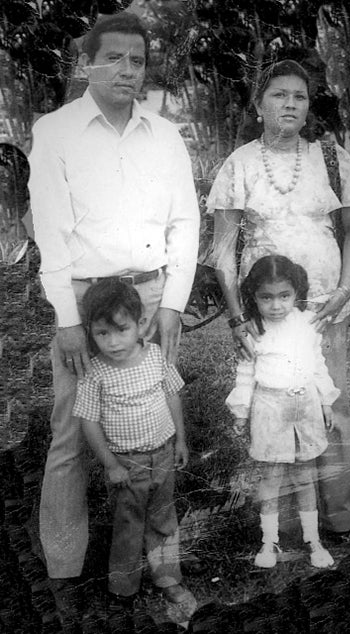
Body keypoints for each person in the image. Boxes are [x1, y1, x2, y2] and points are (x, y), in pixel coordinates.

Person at [27, 10, 199, 608]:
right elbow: (49, 230)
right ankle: (65, 568)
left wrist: (173, 303)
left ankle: (159, 564)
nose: (128, 70)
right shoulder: (55, 131)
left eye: (138, 60)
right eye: (116, 58)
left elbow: (186, 223)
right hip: (85, 301)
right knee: (73, 428)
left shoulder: (166, 135)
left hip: (150, 297)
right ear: (87, 63)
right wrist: (69, 321)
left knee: (153, 415)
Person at [207, 59, 350, 542]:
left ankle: (339, 516)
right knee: (272, 408)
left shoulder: (331, 157)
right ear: (259, 105)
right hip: (267, 313)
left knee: (326, 402)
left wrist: (343, 289)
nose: (290, 103)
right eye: (278, 94)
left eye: (298, 95)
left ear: (308, 105)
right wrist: (237, 318)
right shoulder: (239, 164)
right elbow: (222, 250)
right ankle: (288, 526)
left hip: (323, 310)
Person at [72, 278, 196, 613]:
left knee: (163, 517)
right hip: (128, 463)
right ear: (90, 331)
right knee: (129, 523)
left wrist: (180, 439)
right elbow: (89, 421)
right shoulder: (94, 372)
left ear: (141, 323)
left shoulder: (155, 356)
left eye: (121, 330)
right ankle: (123, 586)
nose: (112, 342)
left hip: (164, 453)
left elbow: (172, 395)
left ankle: (168, 579)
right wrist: (110, 464)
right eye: (102, 333)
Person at [226, 255, 340, 568]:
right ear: (254, 297)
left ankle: (313, 540)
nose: (276, 306)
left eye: (284, 296)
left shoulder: (307, 322)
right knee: (271, 478)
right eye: (266, 297)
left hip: (305, 407)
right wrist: (241, 412)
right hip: (269, 408)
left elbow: (317, 363)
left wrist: (326, 400)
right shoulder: (252, 330)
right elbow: (246, 374)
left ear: (296, 293)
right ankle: (268, 541)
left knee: (305, 476)